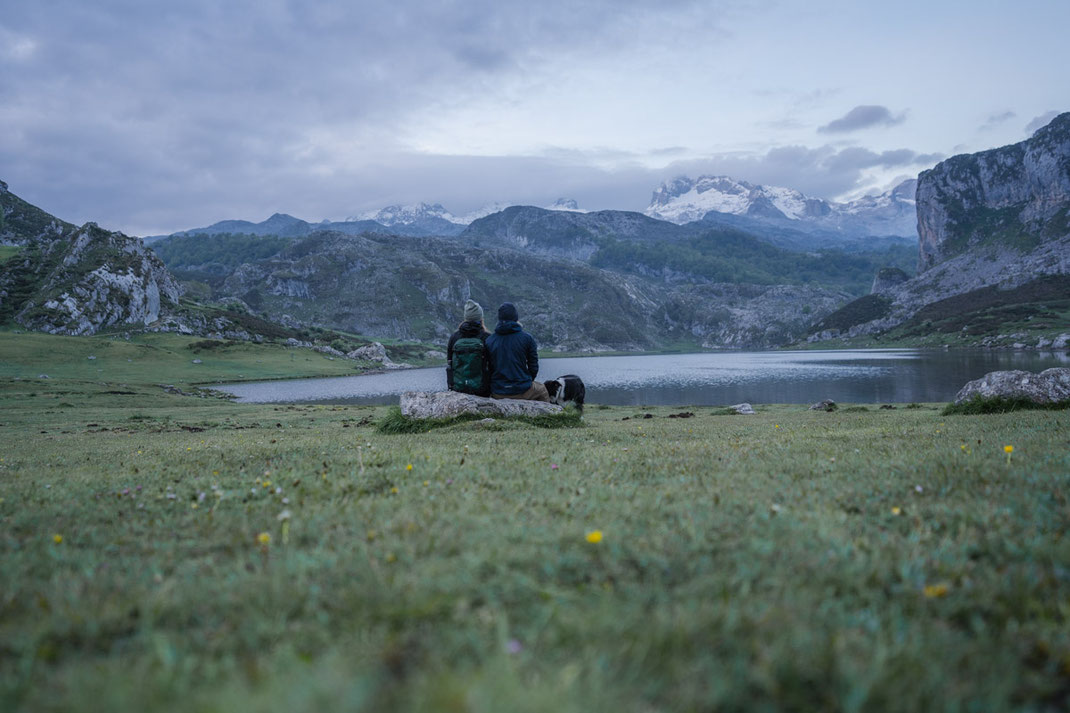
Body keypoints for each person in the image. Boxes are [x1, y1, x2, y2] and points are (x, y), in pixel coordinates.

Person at [485, 302, 550, 402]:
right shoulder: (527, 338)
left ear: (499, 318)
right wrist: (528, 380)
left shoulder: (489, 340)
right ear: (515, 318)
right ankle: (547, 415)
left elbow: (487, 369)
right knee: (542, 390)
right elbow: (533, 366)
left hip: (498, 392)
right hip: (522, 389)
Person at [446, 299, 492, 396]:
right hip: (483, 390)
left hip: (458, 389)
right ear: (481, 318)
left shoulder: (455, 337)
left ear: (465, 318)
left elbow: (450, 361)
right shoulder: (487, 337)